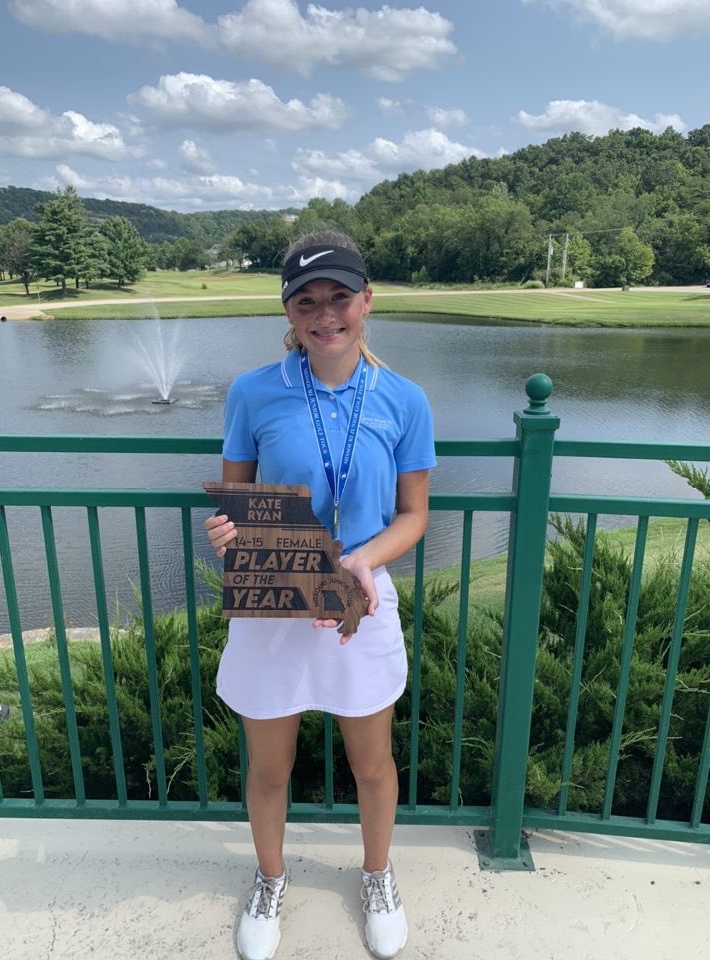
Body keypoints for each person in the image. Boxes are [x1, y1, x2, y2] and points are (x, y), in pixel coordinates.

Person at [204, 229, 435, 960]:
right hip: (273, 600)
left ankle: (376, 874)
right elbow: (235, 497)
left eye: (339, 297)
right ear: (289, 311)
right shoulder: (252, 391)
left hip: (359, 599)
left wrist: (361, 564)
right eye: (308, 300)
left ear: (366, 302)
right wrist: (225, 533)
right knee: (269, 767)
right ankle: (270, 881)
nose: (325, 313)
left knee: (371, 763)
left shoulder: (404, 398)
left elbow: (413, 515)